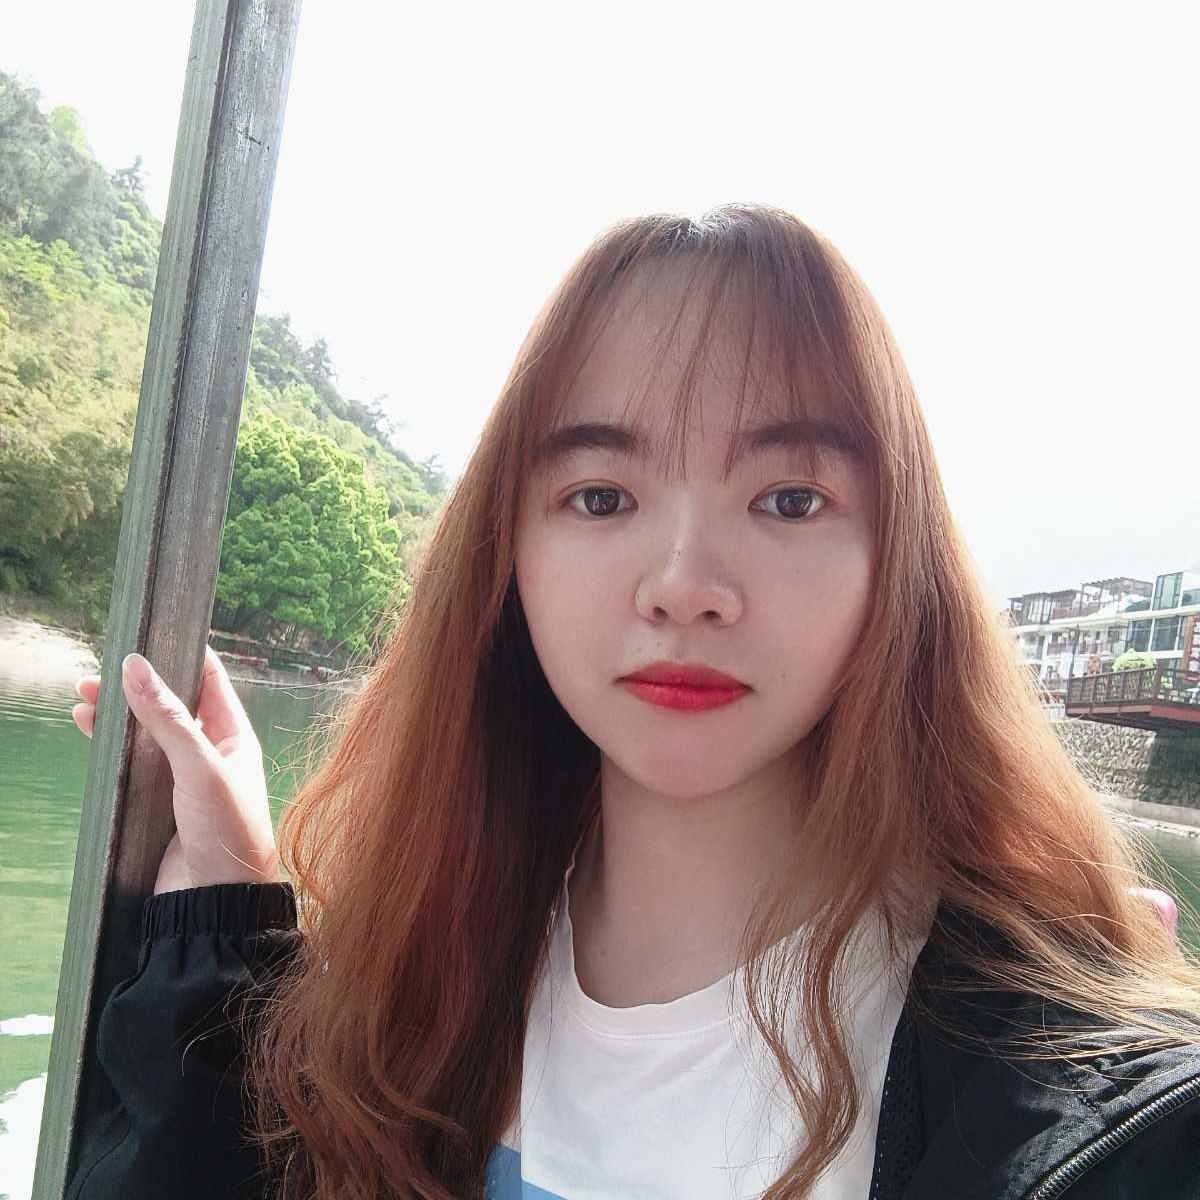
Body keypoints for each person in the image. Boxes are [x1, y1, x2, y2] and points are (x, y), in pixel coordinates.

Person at [65, 205, 1200, 1200]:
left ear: (896, 565)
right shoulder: (415, 968)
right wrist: (222, 931)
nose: (684, 586)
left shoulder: (1062, 1102)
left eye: (790, 500)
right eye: (602, 496)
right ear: (506, 556)